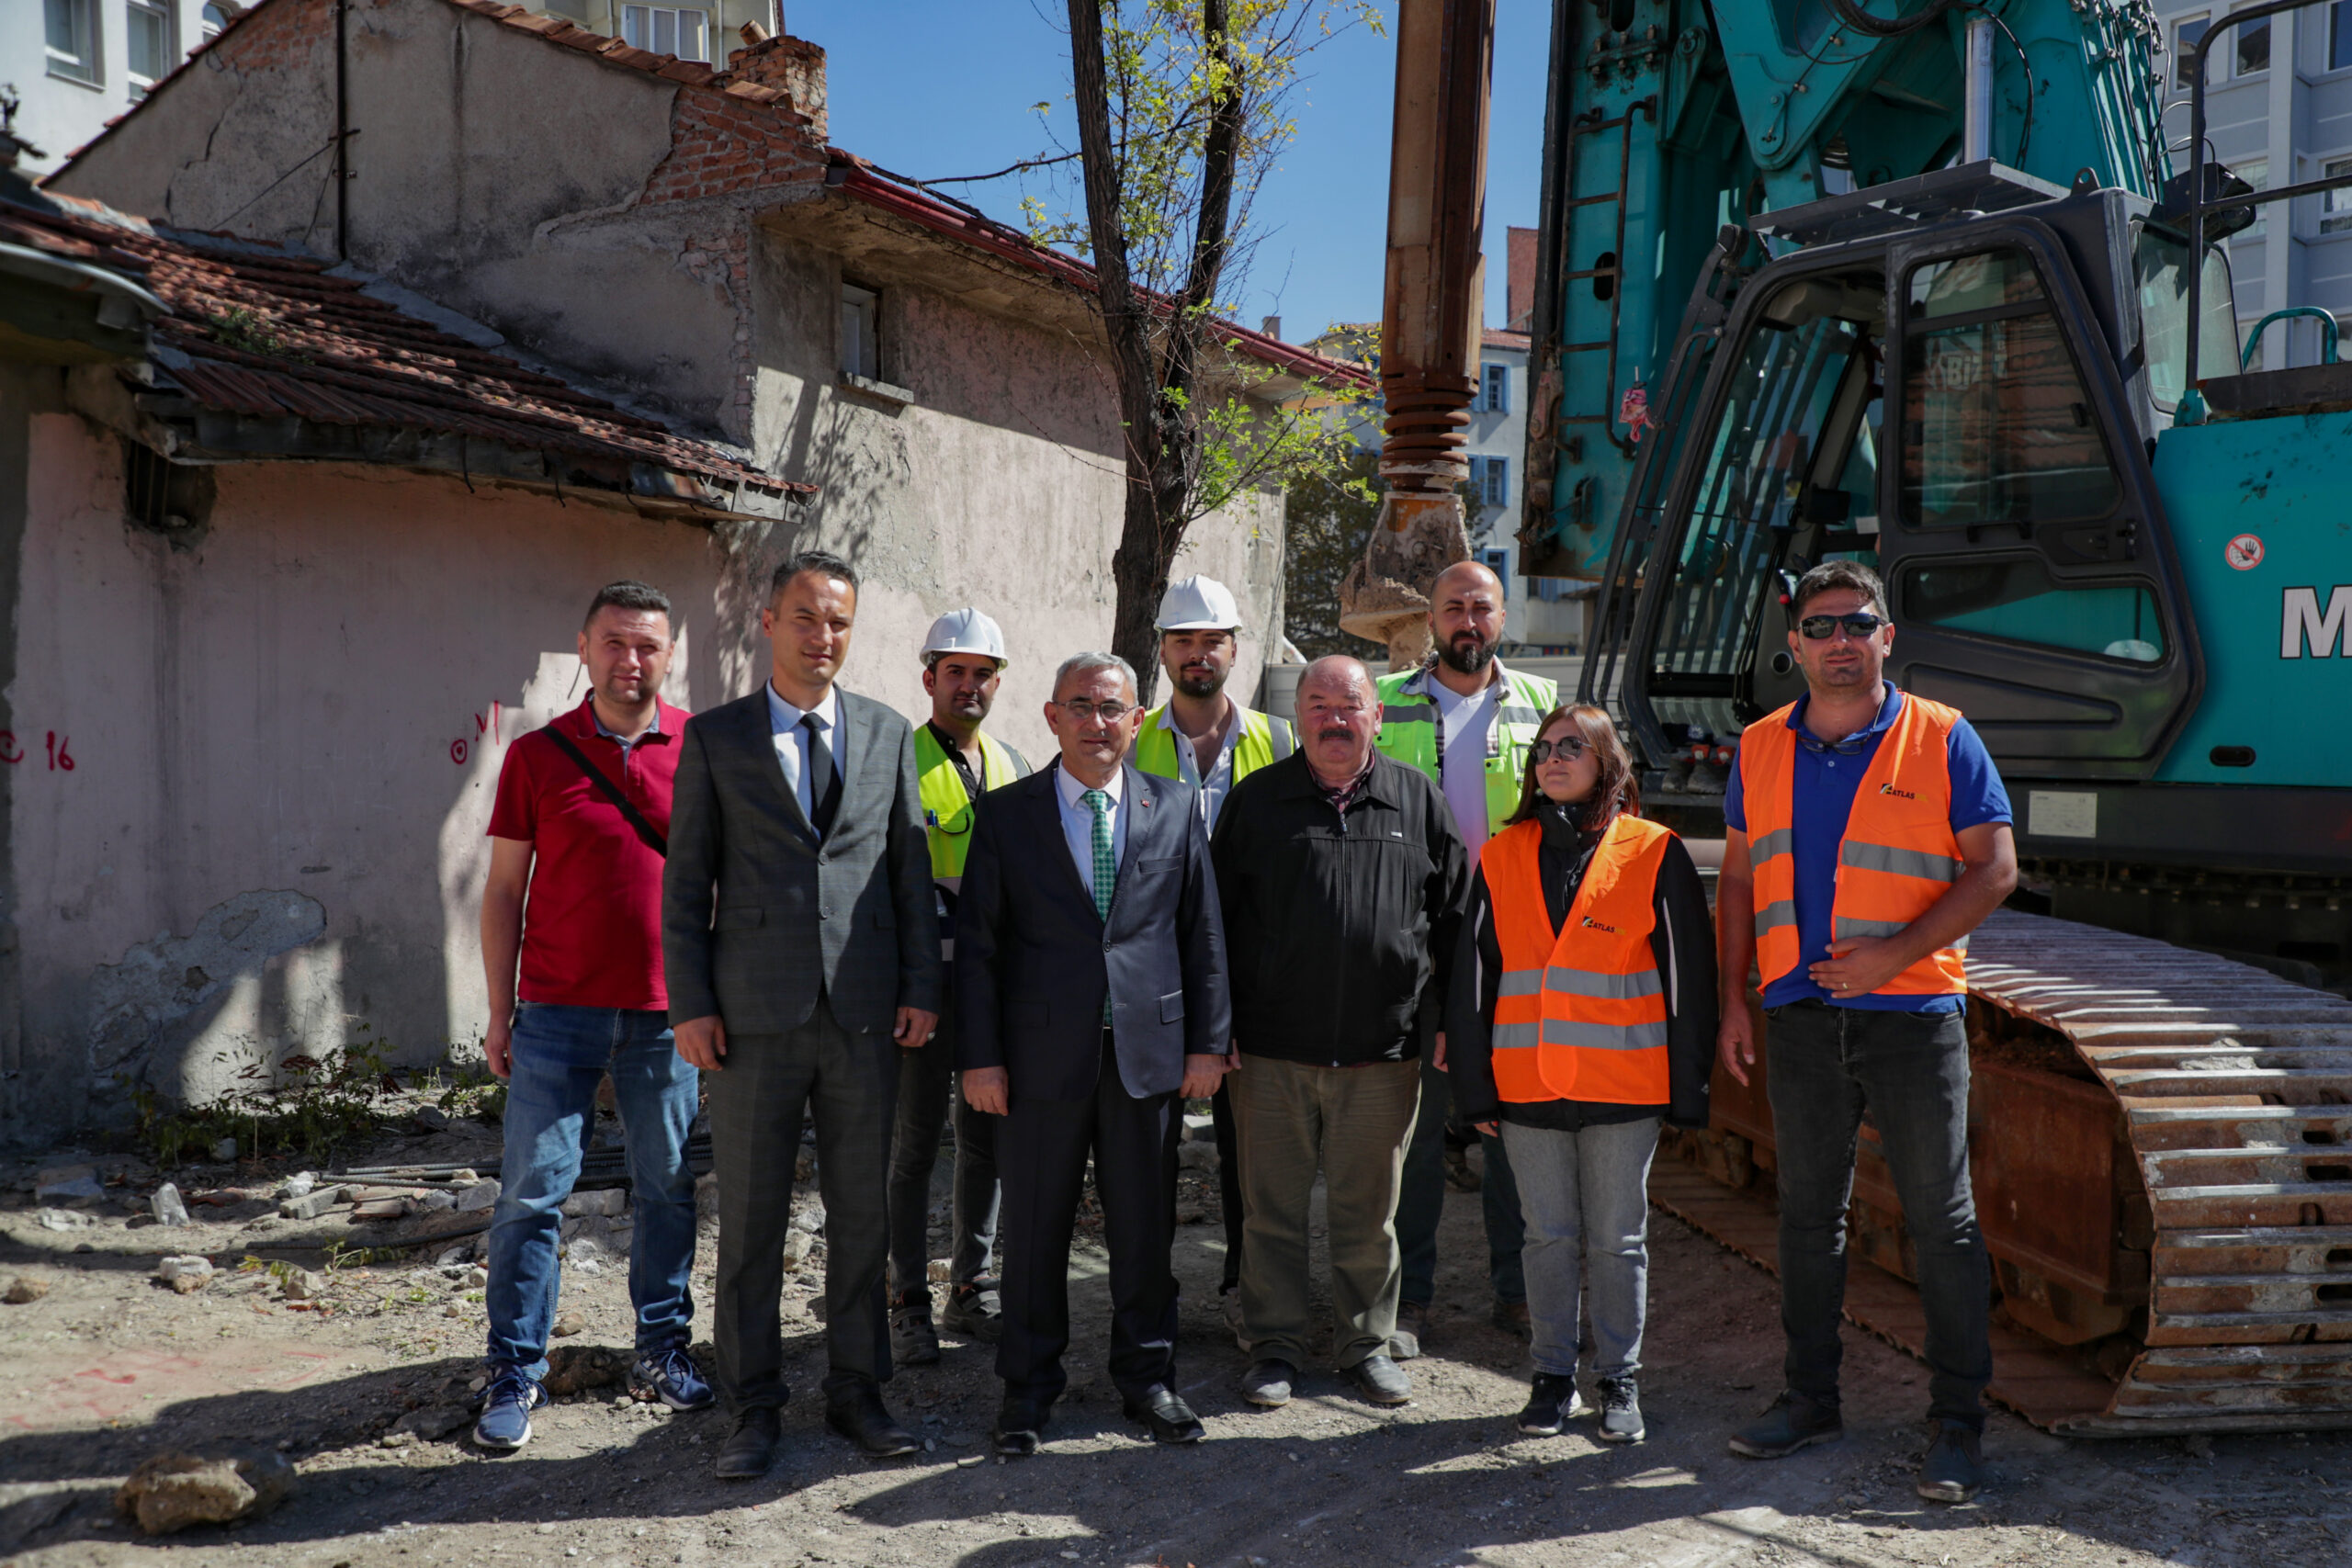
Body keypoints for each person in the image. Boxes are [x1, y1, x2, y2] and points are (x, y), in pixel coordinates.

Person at [1715, 559, 2016, 1506]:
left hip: (1911, 1017)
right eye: (1821, 626)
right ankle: (1809, 1400)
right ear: (1793, 642)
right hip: (1799, 1019)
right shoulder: (1759, 745)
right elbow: (1735, 881)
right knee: (1807, 1215)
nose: (1839, 640)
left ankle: (1958, 1426)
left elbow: (1994, 869)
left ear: (1887, 636)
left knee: (1942, 1220)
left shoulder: (1943, 737)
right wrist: (1734, 999)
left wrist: (1893, 956)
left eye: (1857, 623)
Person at [662, 550, 942, 1479]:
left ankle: (859, 1393)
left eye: (840, 623)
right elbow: (685, 884)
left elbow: (907, 876)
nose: (824, 637)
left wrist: (918, 989)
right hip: (750, 1023)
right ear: (769, 622)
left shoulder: (889, 732)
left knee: (864, 1216)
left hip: (863, 1018)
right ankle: (753, 1408)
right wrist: (691, 1005)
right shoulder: (716, 739)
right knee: (749, 1224)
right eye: (807, 618)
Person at [954, 651, 1232, 1457]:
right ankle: (1028, 1390)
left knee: (1144, 1230)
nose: (1096, 722)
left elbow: (1202, 932)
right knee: (1035, 1232)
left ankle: (1149, 1381)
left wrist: (1209, 1042)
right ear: (1050, 717)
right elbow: (978, 949)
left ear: (1136, 719)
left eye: (1112, 708)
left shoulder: (1174, 807)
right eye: (1079, 706)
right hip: (1038, 1060)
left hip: (1147, 1057)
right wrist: (980, 1058)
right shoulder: (1007, 814)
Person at [474, 581, 711, 1450]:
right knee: (532, 1193)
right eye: (614, 643)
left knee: (667, 1187)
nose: (631, 660)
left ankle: (662, 1348)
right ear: (584, 647)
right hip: (556, 1011)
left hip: (667, 1013)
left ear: (669, 654)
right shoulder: (538, 755)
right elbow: (504, 891)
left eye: (648, 645)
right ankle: (512, 1368)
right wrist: (500, 1010)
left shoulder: (703, 749)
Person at [1446, 705, 1716, 1447]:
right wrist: (1474, 1089)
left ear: (1606, 761)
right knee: (1547, 1238)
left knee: (1617, 1240)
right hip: (1527, 1087)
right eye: (1544, 749)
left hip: (1622, 1086)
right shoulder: (1502, 854)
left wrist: (1688, 1090)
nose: (1554, 759)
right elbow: (1471, 983)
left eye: (1573, 747)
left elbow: (1688, 978)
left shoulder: (1653, 851)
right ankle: (1551, 1378)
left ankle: (1618, 1379)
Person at [1210, 655, 1467, 1411]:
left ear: (1376, 716)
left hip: (1382, 1053)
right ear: (1299, 718)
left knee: (1367, 1214)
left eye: (1348, 703)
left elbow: (1453, 923)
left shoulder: (1416, 801)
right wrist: (1215, 1027)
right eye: (1316, 704)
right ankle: (1275, 1347)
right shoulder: (1258, 803)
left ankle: (1366, 1342)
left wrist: (1446, 1021)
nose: (1332, 718)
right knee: (1272, 1212)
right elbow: (1214, 925)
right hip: (1269, 1053)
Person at [1376, 558, 1556, 1351]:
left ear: (1503, 617)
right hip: (1414, 940)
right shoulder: (1382, 705)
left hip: (1513, 945)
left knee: (1512, 1126)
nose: (1468, 622)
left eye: (1481, 607)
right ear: (1431, 620)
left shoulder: (1545, 705)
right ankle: (1407, 1296)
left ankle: (1517, 1292)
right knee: (1413, 1133)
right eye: (1453, 607)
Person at [1128, 573, 1295, 1324]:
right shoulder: (1129, 740)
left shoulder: (1278, 739)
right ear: (1162, 648)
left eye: (1212, 640)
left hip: (1253, 975)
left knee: (1250, 1148)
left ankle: (1243, 1285)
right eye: (1183, 640)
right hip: (1155, 972)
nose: (1198, 654)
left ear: (1235, 648)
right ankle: (1148, 1293)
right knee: (1150, 1146)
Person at [888, 608, 1030, 1366]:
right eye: (955, 672)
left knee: (985, 1143)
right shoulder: (899, 761)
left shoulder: (1011, 764)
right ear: (929, 677)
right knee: (913, 1146)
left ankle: (970, 1286)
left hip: (991, 993)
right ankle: (906, 1296)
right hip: (922, 990)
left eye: (982, 673)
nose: (968, 685)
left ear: (997, 683)